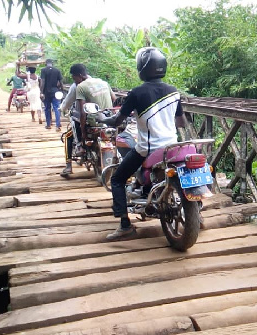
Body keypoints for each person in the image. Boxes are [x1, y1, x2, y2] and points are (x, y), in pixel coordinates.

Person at [97, 47, 186, 240]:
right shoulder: (173, 91)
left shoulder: (137, 93)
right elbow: (181, 122)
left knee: (117, 179)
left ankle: (125, 225)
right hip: (171, 147)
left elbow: (117, 121)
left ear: (142, 68)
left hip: (148, 149)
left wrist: (103, 120)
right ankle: (197, 214)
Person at [60, 63, 116, 176]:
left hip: (93, 121)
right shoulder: (102, 82)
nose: (74, 80)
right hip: (108, 118)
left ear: (79, 75)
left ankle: (69, 164)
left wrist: (83, 132)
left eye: (74, 77)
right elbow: (114, 99)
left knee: (68, 136)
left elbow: (82, 112)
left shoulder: (79, 86)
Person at [40, 59, 63, 131]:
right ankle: (57, 125)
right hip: (55, 92)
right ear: (52, 63)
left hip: (46, 92)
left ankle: (48, 124)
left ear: (45, 63)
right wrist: (61, 90)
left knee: (47, 108)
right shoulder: (57, 70)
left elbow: (42, 81)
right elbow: (61, 82)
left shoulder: (43, 70)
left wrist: (41, 92)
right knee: (57, 108)